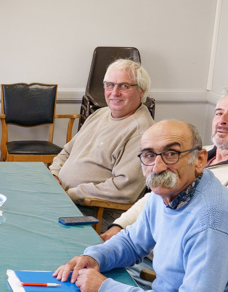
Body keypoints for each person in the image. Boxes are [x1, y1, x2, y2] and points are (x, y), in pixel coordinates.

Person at [55, 120, 228, 292]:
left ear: (200, 159)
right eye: (149, 155)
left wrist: (105, 288)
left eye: (171, 153)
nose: (158, 166)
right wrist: (94, 257)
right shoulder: (166, 192)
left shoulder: (211, 221)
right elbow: (132, 243)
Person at [102, 85, 228, 239]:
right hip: (141, 245)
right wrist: (119, 227)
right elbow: (155, 197)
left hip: (166, 266)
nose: (222, 120)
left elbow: (210, 234)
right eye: (219, 113)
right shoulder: (203, 152)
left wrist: (132, 241)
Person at [49, 58, 154, 212]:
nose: (115, 93)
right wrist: (55, 176)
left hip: (95, 212)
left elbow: (124, 189)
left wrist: (72, 194)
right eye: (110, 85)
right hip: (64, 197)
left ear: (142, 90)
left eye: (124, 86)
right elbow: (66, 152)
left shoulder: (142, 131)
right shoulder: (99, 114)